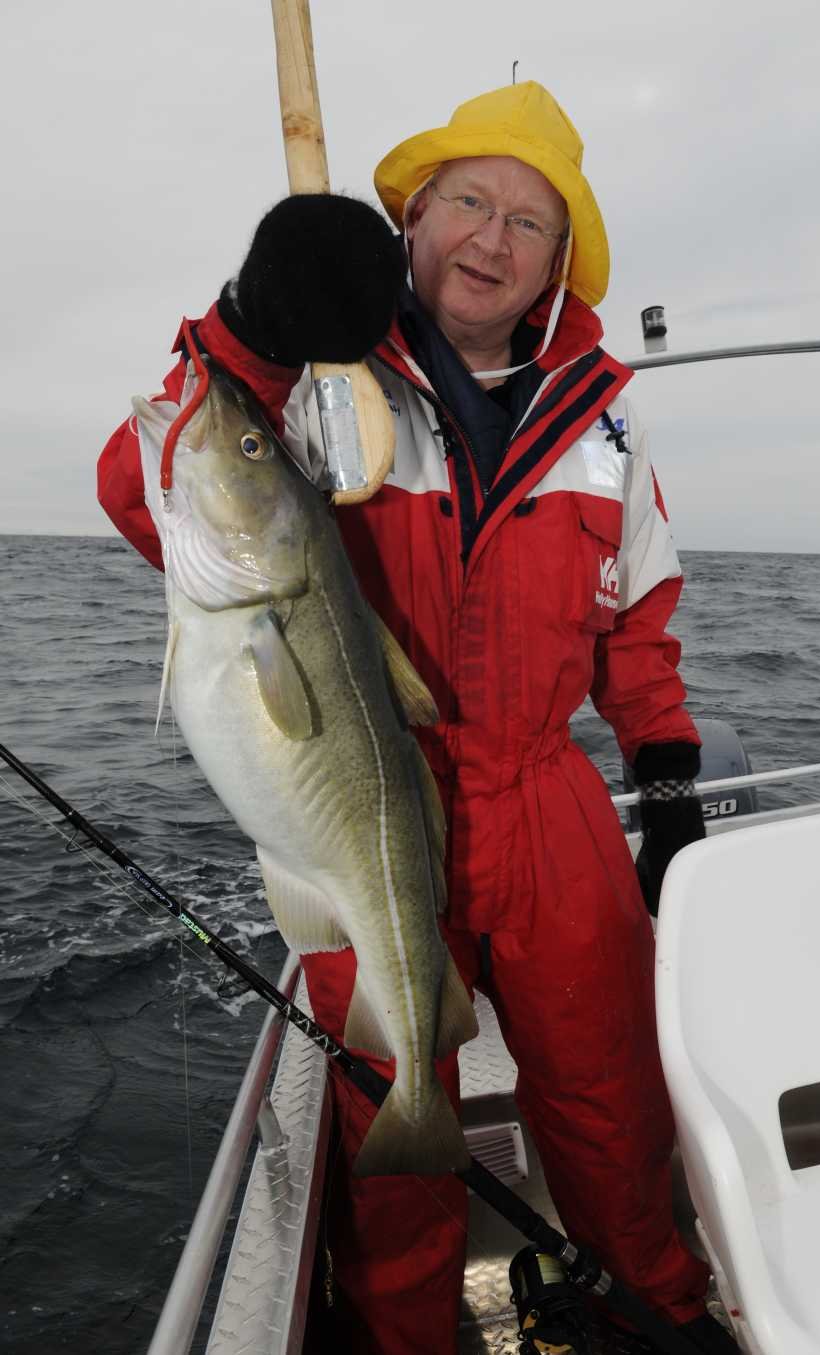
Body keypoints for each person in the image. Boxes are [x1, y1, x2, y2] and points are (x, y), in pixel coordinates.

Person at [98, 82, 737, 1354]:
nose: (492, 242)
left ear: (560, 264)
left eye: (529, 224)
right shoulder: (324, 375)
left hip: (547, 803)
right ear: (414, 215)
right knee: (390, 1113)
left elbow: (639, 626)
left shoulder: (609, 419)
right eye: (467, 202)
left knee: (612, 1098)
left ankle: (654, 1309)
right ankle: (404, 1339)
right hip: (369, 786)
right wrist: (250, 331)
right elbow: (149, 488)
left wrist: (665, 789)